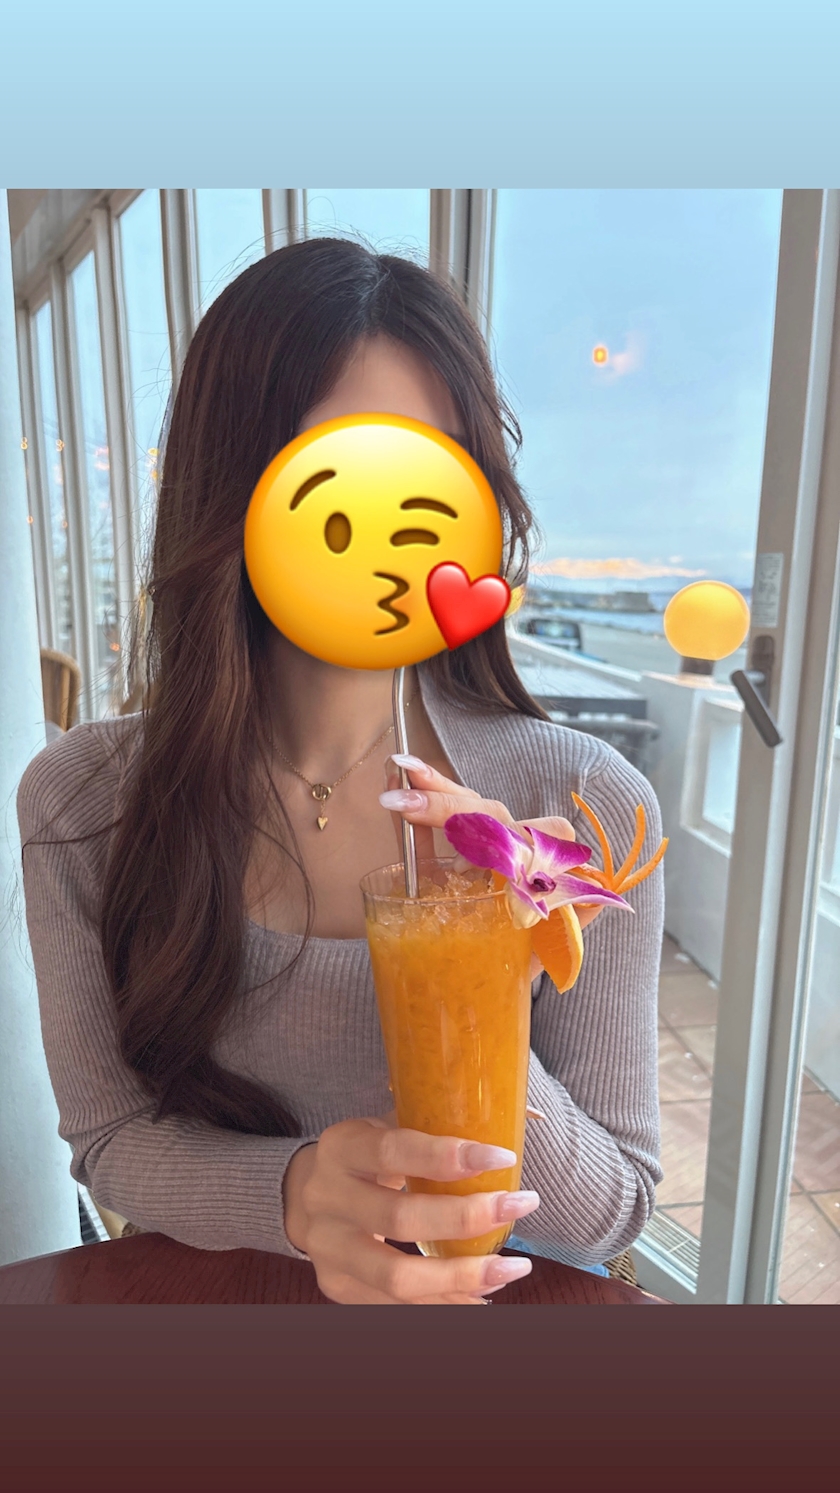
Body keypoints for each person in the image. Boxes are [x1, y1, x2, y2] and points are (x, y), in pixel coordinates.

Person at [17, 237, 663, 1305]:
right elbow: (113, 1140)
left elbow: (616, 1206)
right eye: (343, 475)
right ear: (233, 492)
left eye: (433, 472)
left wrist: (484, 983)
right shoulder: (85, 802)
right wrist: (292, 1191)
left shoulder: (581, 808)